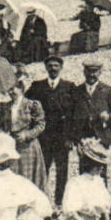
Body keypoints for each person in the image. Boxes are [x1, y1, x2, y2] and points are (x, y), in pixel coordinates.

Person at [27, 55, 80, 205]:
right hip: (44, 137)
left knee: (62, 171)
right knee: (43, 170)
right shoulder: (37, 87)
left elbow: (75, 114)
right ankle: (42, 201)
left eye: (56, 66)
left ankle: (59, 202)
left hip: (63, 137)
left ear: (61, 68)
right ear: (46, 68)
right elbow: (26, 105)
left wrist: (72, 138)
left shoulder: (69, 87)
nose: (53, 68)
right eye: (50, 65)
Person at [0, 72, 48, 193]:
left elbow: (41, 124)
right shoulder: (3, 107)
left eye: (13, 89)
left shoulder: (32, 105)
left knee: (28, 179)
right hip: (12, 147)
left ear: (21, 88)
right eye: (8, 89)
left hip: (29, 147)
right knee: (13, 178)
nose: (11, 92)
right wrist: (4, 136)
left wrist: (27, 135)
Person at [79, 61, 111, 150]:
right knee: (84, 163)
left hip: (102, 136)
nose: (92, 74)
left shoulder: (107, 90)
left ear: (100, 72)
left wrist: (109, 117)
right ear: (84, 72)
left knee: (101, 163)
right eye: (89, 71)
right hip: (84, 137)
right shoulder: (77, 90)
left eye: (95, 71)